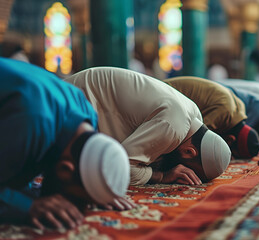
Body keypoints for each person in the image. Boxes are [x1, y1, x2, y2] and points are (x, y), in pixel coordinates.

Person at [0, 58, 132, 230]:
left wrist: (101, 189)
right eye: (78, 200)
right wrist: (27, 206)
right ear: (64, 169)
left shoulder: (86, 113)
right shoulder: (30, 125)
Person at [65, 67, 231, 186]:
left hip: (84, 90)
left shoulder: (194, 114)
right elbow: (119, 167)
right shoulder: (173, 127)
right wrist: (162, 176)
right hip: (75, 100)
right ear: (189, 152)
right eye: (189, 169)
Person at [164, 76, 259, 158]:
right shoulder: (223, 113)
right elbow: (193, 138)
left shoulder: (240, 109)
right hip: (164, 94)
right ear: (230, 140)